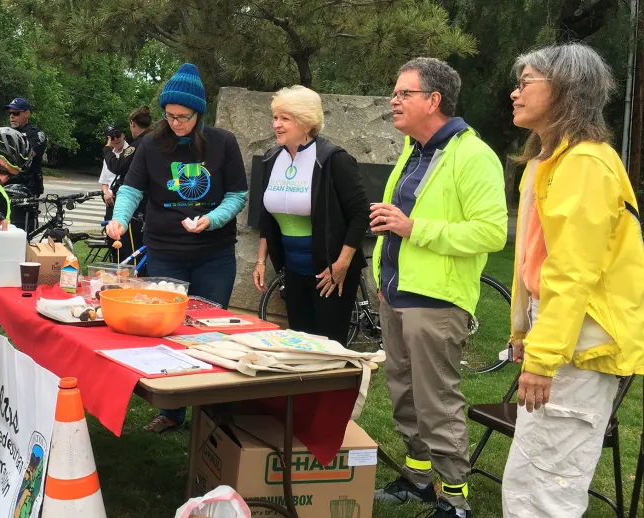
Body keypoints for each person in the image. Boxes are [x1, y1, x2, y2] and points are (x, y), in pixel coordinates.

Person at [501, 43, 644, 518]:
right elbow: (533, 262)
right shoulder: (549, 161)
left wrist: (541, 359)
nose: (515, 92)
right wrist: (524, 331)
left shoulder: (585, 163)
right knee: (530, 467)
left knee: (549, 481)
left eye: (526, 82)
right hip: (558, 329)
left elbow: (573, 272)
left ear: (564, 90)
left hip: (580, 338)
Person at [370, 57, 508, 518]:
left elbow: (491, 232)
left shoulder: (474, 156)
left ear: (433, 100)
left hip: (436, 303)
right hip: (396, 293)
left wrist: (414, 228)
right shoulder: (416, 149)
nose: (393, 99)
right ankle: (418, 480)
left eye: (403, 93)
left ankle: (454, 499)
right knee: (404, 395)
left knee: (437, 402)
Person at [106, 64, 248, 433]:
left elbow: (237, 194)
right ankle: (173, 411)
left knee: (210, 330)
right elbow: (132, 189)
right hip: (165, 251)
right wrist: (120, 218)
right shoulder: (152, 143)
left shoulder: (223, 142)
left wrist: (212, 219)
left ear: (199, 114)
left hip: (214, 252)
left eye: (183, 117)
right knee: (167, 329)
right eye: (169, 116)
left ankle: (210, 410)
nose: (176, 123)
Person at [252, 85, 369, 344]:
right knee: (300, 344)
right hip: (293, 272)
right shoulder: (272, 159)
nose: (276, 125)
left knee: (329, 348)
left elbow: (360, 213)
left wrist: (341, 265)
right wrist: (261, 261)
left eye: (285, 118)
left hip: (329, 272)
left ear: (306, 123)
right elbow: (267, 216)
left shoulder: (334, 159)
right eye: (275, 117)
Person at [103, 106, 153, 265]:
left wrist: (106, 149)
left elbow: (118, 167)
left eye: (118, 135)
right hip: (149, 201)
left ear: (132, 123)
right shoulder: (154, 139)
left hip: (137, 203)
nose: (115, 139)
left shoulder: (139, 144)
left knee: (132, 249)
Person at [4, 97, 47, 231]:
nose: (12, 116)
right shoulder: (5, 133)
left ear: (26, 114)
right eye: (10, 113)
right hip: (5, 184)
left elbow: (25, 156)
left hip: (27, 187)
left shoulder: (36, 134)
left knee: (21, 227)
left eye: (16, 113)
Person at [98, 123, 128, 220]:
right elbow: (104, 182)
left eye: (118, 135)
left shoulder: (131, 152)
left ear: (123, 135)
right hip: (111, 201)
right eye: (112, 137)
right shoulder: (108, 157)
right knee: (110, 231)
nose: (116, 139)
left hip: (126, 201)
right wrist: (106, 193)